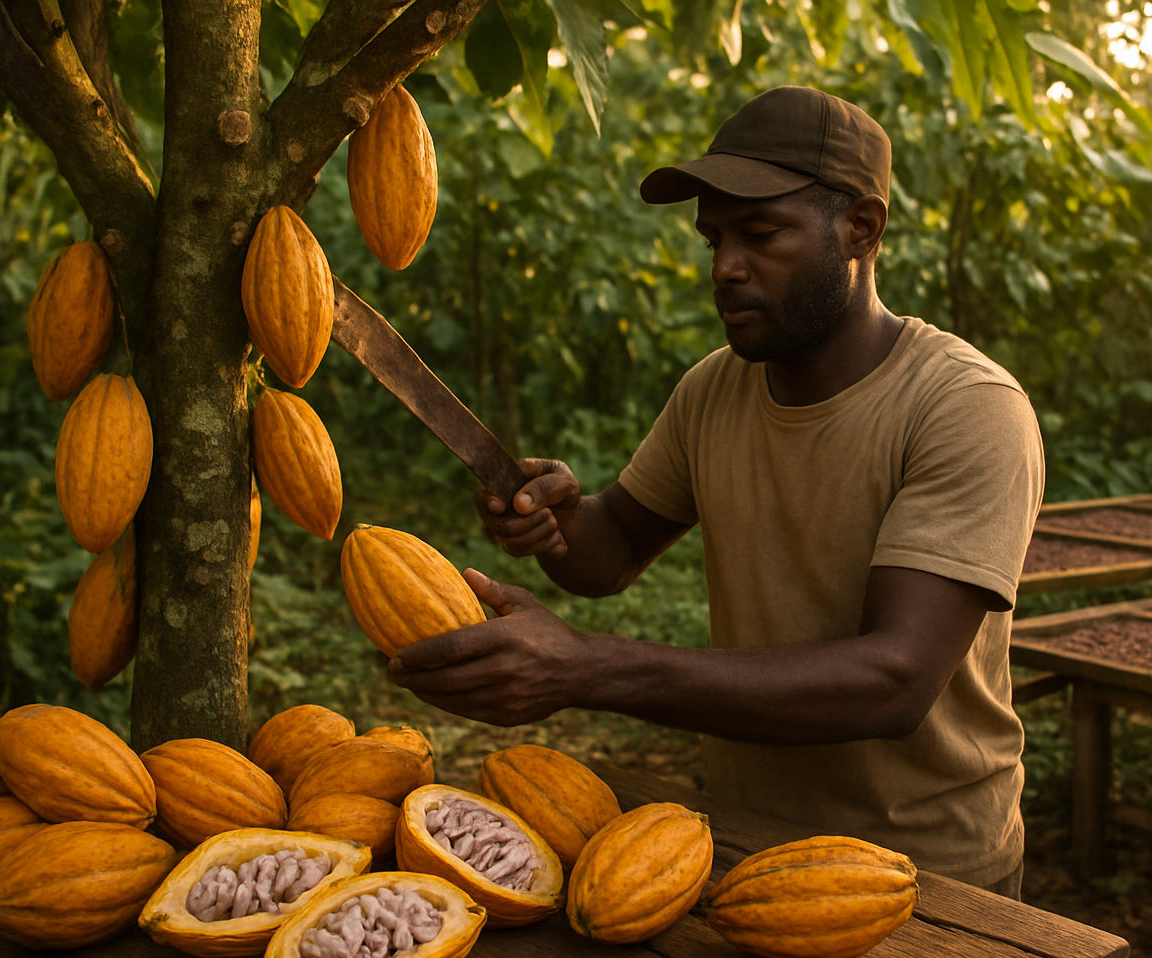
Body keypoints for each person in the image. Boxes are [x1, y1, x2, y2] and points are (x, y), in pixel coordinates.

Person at [388, 85, 1045, 897]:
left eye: (761, 234)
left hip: (926, 875)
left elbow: (895, 681)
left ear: (861, 230)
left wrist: (585, 671)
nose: (726, 268)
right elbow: (615, 548)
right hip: (743, 846)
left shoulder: (965, 408)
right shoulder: (715, 390)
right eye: (715, 238)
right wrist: (560, 523)